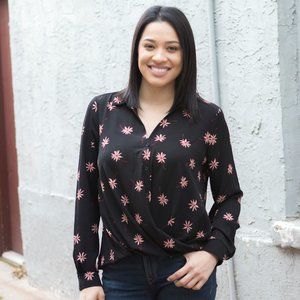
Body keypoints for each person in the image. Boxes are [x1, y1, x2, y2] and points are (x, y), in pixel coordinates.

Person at [73, 5, 243, 300]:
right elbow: (86, 194)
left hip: (186, 272)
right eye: (150, 46)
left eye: (172, 48)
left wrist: (213, 253)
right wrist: (87, 276)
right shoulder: (102, 111)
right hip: (121, 271)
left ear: (185, 55)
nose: (159, 57)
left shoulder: (207, 117)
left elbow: (229, 197)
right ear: (137, 50)